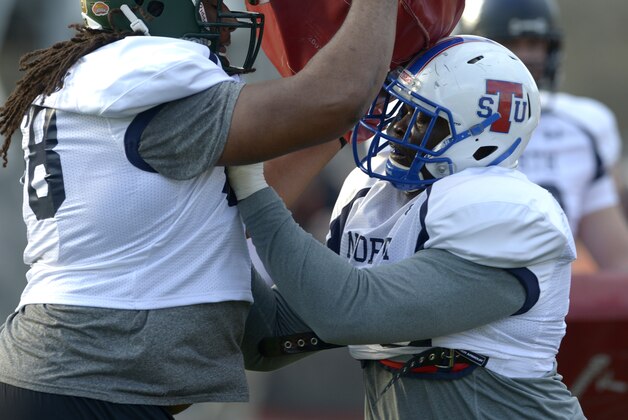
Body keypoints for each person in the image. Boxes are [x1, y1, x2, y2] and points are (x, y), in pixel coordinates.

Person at [0, 0, 406, 417]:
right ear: (156, 9)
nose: (227, 28)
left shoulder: (111, 84)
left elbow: (234, 201)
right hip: (87, 388)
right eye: (210, 8)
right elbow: (339, 95)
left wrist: (351, 123)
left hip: (76, 383)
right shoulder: (147, 79)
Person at [228, 35, 585, 419]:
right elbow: (267, 339)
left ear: (481, 139)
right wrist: (212, 227)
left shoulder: (507, 214)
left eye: (421, 121)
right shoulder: (377, 196)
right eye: (400, 110)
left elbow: (349, 311)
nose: (397, 130)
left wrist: (254, 192)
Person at [458, 0, 628, 273]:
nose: (525, 57)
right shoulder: (447, 120)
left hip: (551, 295)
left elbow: (619, 264)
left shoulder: (582, 126)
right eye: (510, 44)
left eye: (534, 43)